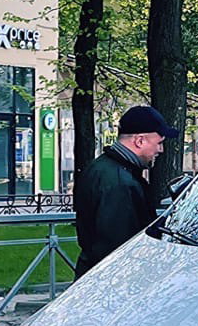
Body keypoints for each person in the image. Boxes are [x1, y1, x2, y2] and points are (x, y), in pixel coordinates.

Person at [74, 105, 180, 276]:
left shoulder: (104, 168)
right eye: (159, 143)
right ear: (139, 140)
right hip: (112, 280)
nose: (161, 150)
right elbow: (119, 245)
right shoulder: (119, 182)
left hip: (95, 274)